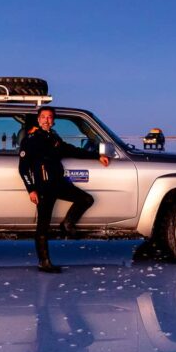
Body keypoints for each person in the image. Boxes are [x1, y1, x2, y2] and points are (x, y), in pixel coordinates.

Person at [19, 106, 110, 272]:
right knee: (43, 226)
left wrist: (96, 156)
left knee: (86, 199)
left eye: (50, 117)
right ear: (38, 120)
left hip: (59, 183)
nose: (47, 120)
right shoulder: (31, 139)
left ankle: (67, 224)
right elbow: (23, 168)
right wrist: (31, 189)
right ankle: (44, 261)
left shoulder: (53, 137)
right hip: (43, 187)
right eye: (44, 117)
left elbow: (71, 150)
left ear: (53, 121)